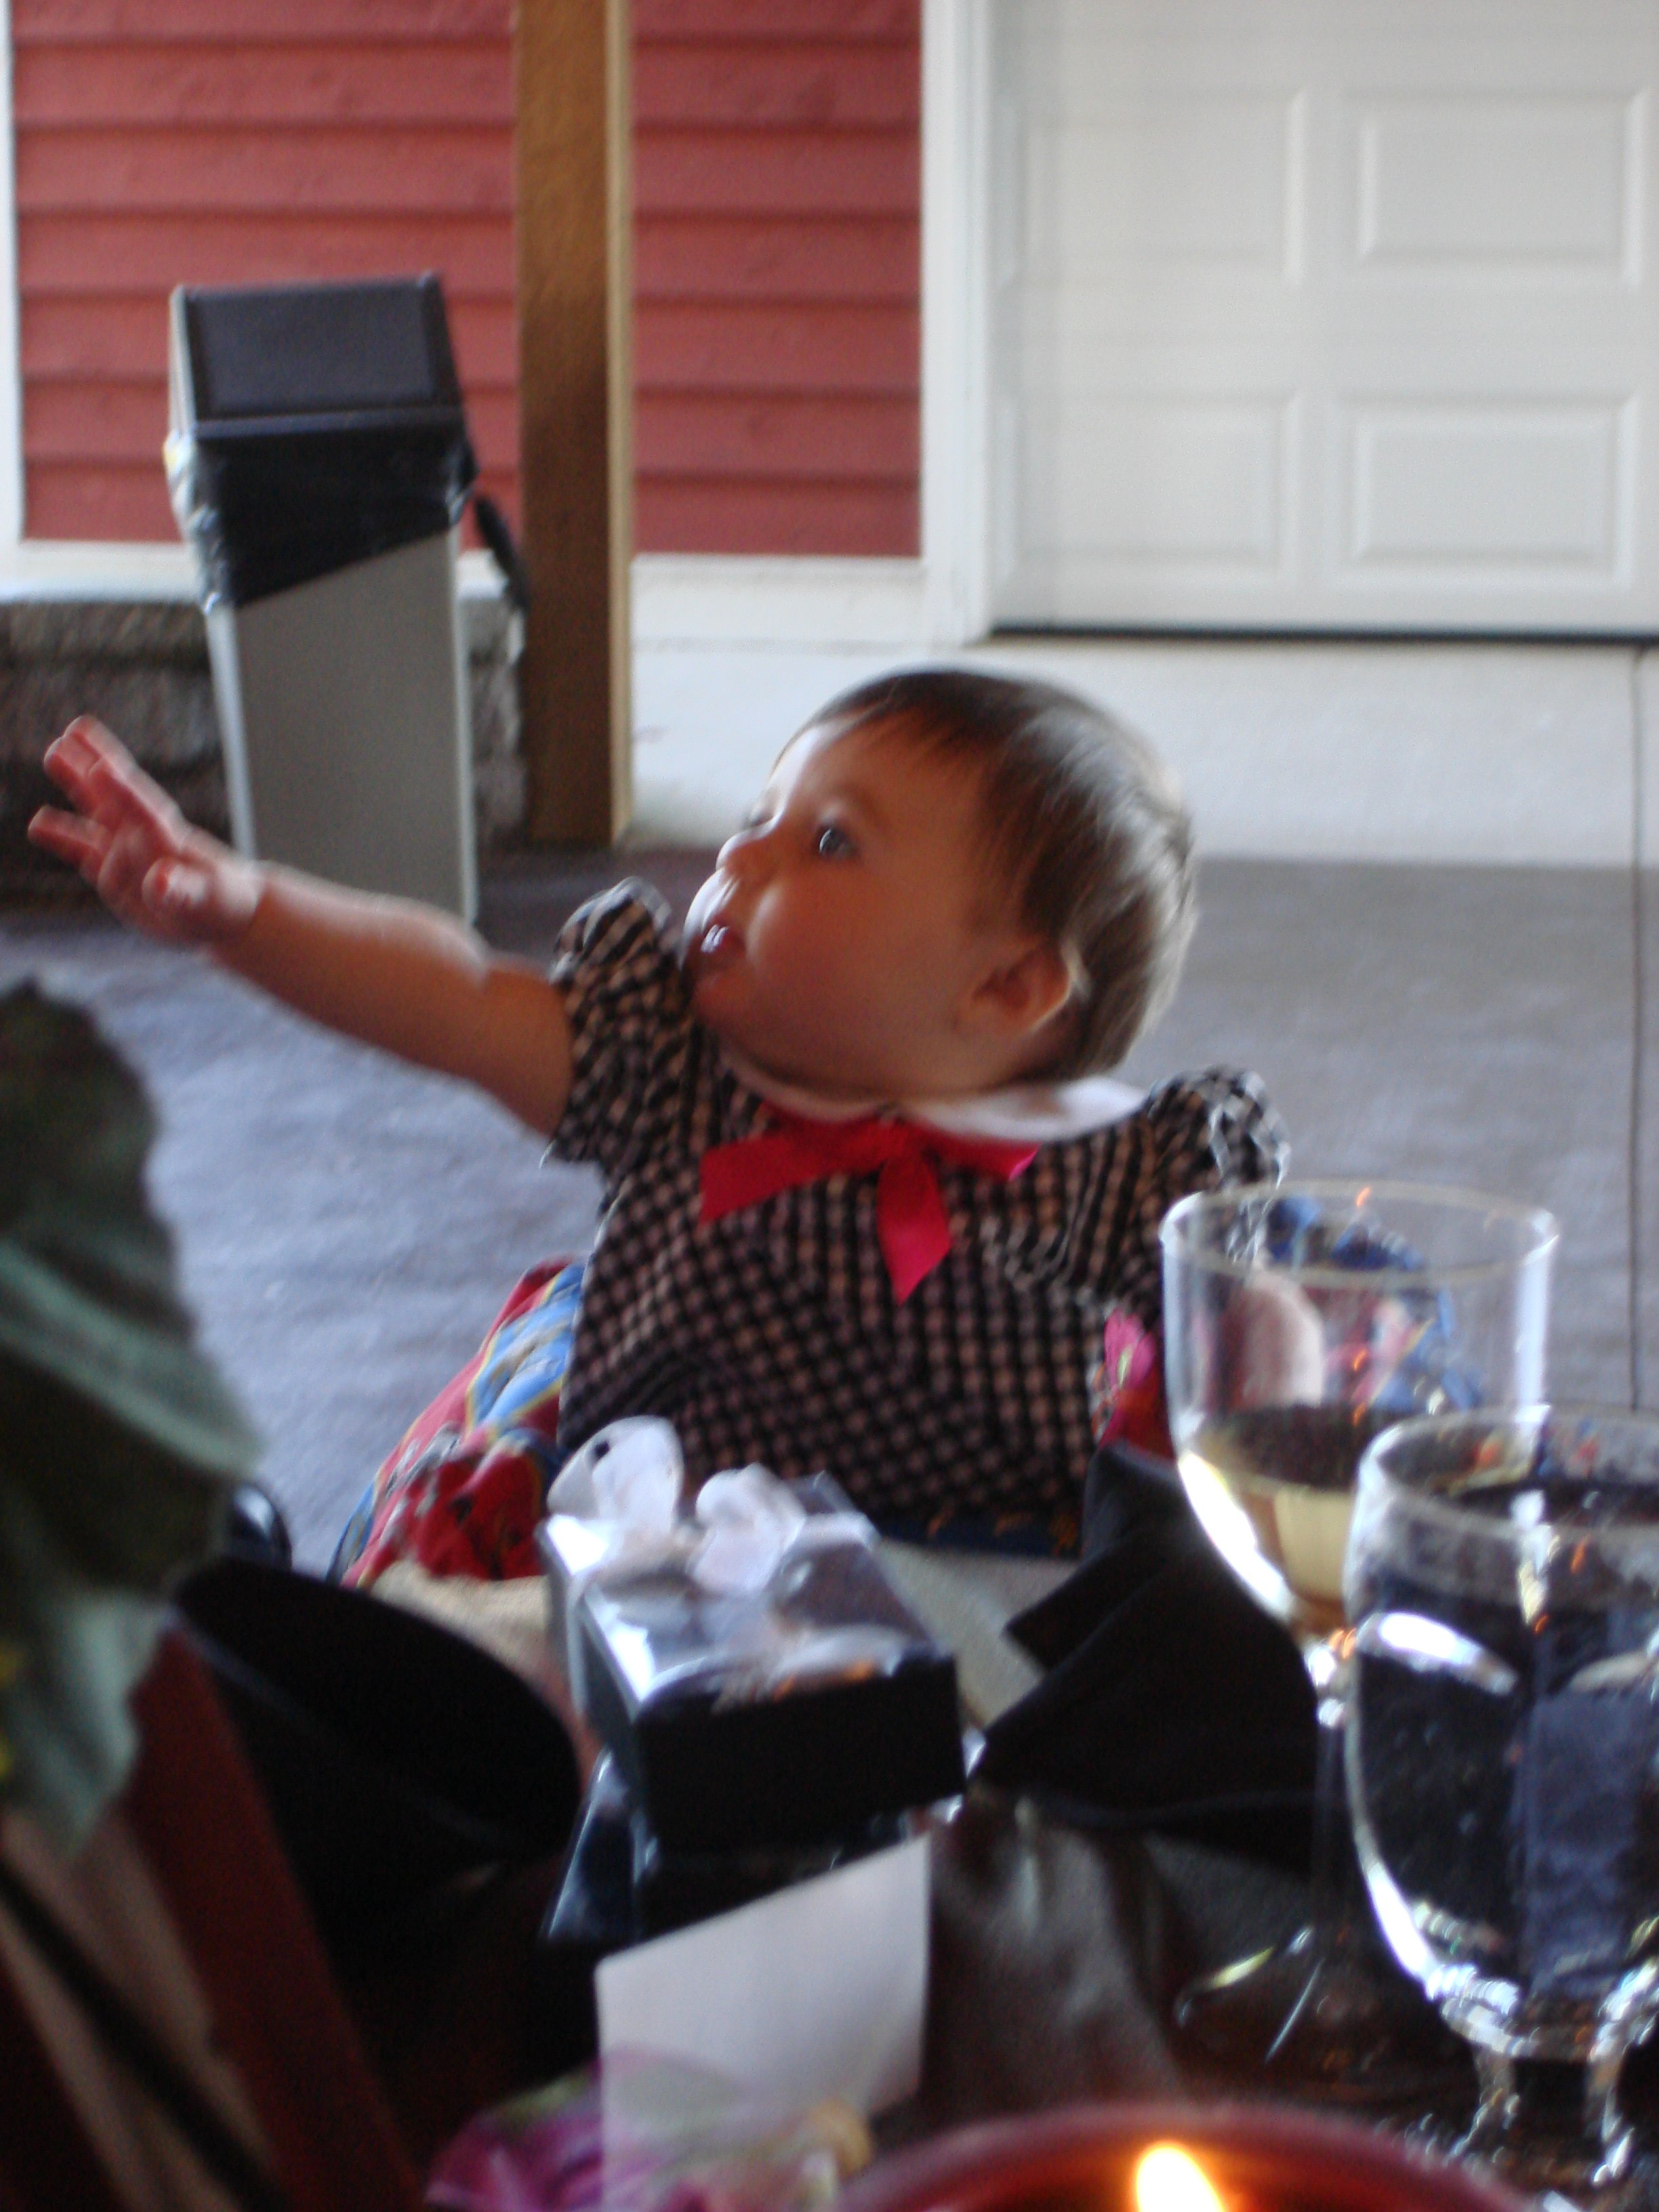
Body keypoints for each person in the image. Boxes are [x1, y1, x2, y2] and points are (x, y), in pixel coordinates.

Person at [29, 668, 1284, 1578]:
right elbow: (455, 997)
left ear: (1007, 988)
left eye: (830, 841)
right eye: (759, 816)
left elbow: (1259, 1336)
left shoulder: (1121, 1170)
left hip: (982, 1553)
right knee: (466, 1598)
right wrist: (242, 908)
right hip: (653, 1521)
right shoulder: (670, 1067)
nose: (742, 858)